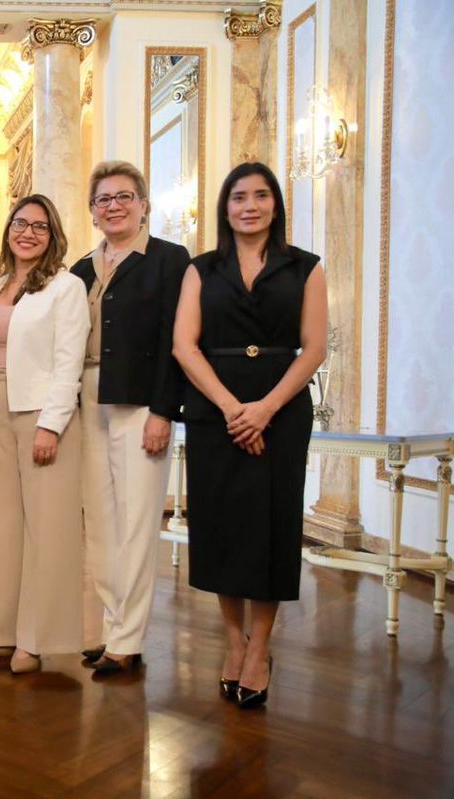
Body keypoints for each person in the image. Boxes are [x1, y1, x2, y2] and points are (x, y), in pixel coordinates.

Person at [172, 162, 327, 708]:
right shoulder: (201, 269)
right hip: (217, 406)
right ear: (225, 206)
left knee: (271, 527)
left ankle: (259, 648)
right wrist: (233, 408)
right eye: (239, 197)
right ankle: (231, 641)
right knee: (222, 526)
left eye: (261, 196)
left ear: (276, 206)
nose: (250, 206)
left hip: (281, 408)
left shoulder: (305, 267)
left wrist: (264, 409)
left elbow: (314, 348)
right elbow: (185, 345)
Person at [69, 161, 191, 674]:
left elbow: (177, 343)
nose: (113, 206)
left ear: (144, 204)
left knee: (137, 524)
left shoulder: (170, 260)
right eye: (103, 199)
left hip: (142, 403)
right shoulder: (79, 269)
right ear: (93, 212)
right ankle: (114, 624)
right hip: (88, 400)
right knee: (99, 524)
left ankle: (128, 640)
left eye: (124, 196)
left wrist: (164, 411)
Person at [0, 194, 89, 674]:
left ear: (53, 235)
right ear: (8, 230)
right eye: (21, 223)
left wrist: (51, 425)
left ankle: (36, 639)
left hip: (42, 413)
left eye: (40, 227)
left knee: (47, 529)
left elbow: (69, 360)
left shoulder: (66, 287)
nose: (28, 233)